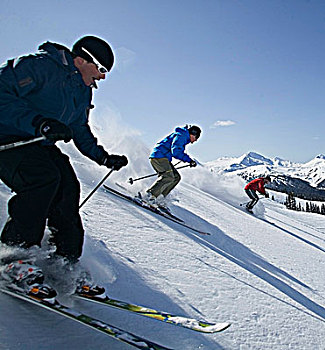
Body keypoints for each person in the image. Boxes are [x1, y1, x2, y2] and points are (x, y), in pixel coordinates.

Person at [0, 35, 128, 298]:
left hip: (38, 143)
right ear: (81, 60)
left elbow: (78, 127)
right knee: (42, 179)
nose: (102, 77)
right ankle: (14, 258)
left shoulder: (83, 88)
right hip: (8, 139)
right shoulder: (40, 66)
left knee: (68, 186)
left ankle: (64, 262)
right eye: (101, 70)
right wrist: (38, 122)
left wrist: (102, 157)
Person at [142, 124, 201, 208]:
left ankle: (159, 198)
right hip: (159, 157)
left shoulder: (183, 136)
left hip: (163, 158)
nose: (195, 141)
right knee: (168, 177)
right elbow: (176, 151)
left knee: (176, 177)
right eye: (196, 138)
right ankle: (149, 196)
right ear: (193, 134)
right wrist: (189, 160)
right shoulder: (181, 136)